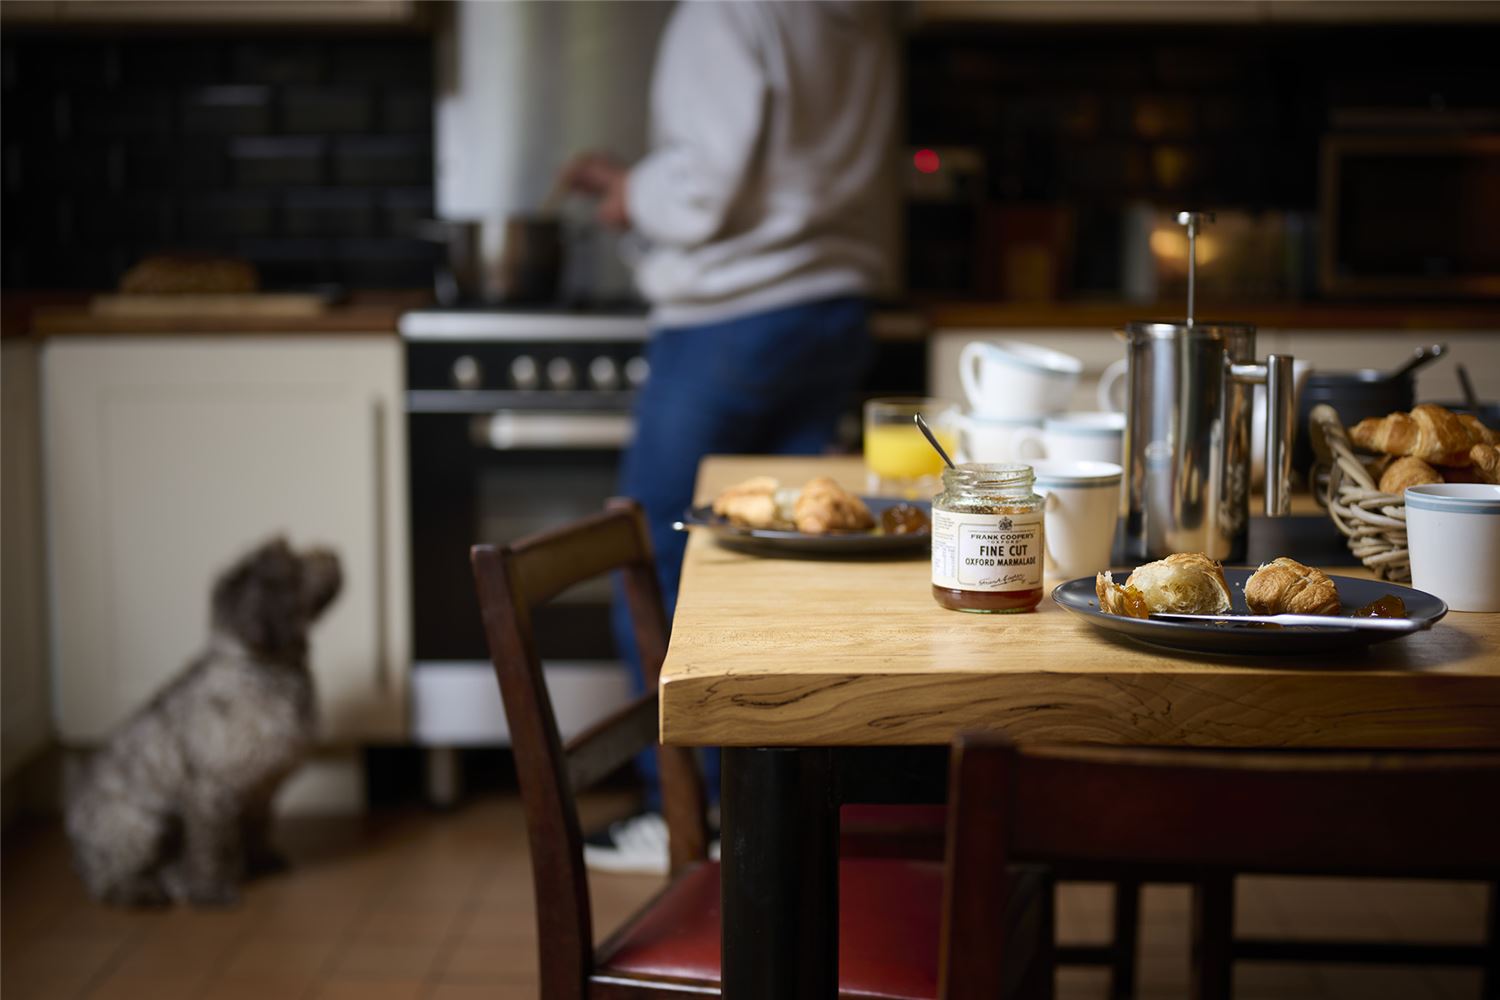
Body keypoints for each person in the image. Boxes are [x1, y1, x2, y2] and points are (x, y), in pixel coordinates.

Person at [561, 0, 898, 873]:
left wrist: (634, 190)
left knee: (656, 553)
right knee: (778, 566)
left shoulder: (727, 11)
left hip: (733, 318)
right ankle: (769, 810)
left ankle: (684, 814)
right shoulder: (860, 15)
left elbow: (709, 184)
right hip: (834, 309)